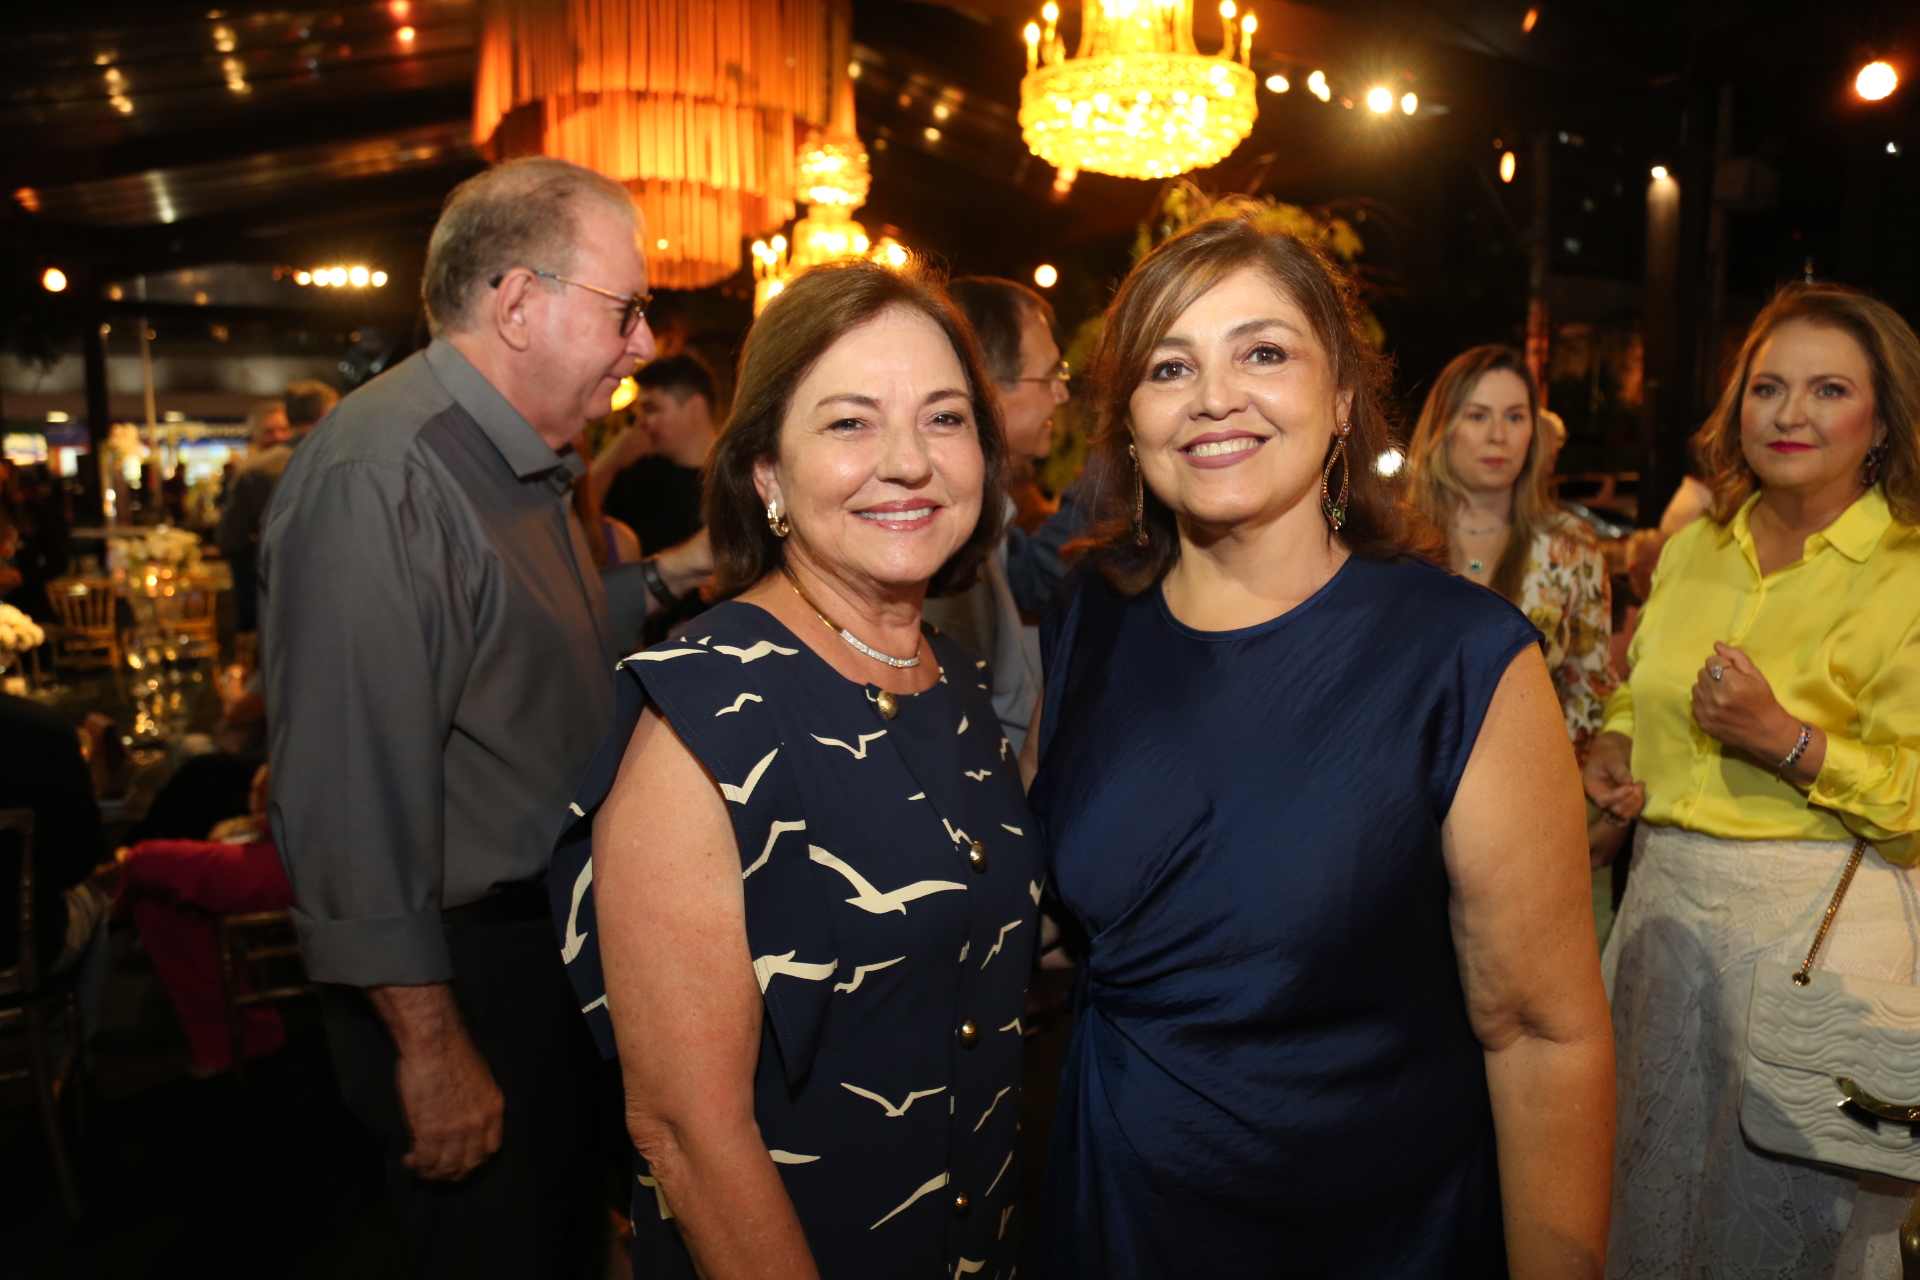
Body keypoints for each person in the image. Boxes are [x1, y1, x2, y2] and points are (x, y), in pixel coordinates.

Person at [1023, 211, 1615, 1277]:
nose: (1214, 397)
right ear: (1130, 419)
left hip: (1369, 1229)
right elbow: (1066, 899)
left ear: (1341, 395)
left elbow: (1540, 1033)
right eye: (1169, 366)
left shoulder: (1461, 656)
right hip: (1116, 1208)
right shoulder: (1087, 614)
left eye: (1263, 353)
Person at [548, 258, 1043, 1278]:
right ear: (767, 473)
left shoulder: (952, 678)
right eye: (851, 422)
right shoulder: (704, 718)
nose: (908, 461)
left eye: (945, 419)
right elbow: (686, 1133)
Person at [260, 156, 696, 1279]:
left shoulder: (519, 462)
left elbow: (530, 643)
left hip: (538, 950)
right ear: (516, 304)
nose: (642, 344)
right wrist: (431, 1044)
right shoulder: (384, 474)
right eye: (625, 310)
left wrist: (679, 574)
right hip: (462, 976)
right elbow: (350, 802)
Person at [1586, 283, 1920, 1276]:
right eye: (1768, 387)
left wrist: (1784, 739)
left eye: (1829, 389)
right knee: (1640, 1198)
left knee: (1790, 1226)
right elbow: (1638, 688)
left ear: (1883, 422)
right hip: (1662, 918)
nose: (1790, 413)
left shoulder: (1907, 569)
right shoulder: (1695, 545)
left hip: (1819, 924)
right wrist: (1613, 745)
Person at [1408, 345, 1617, 766]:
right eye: (1478, 415)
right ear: (1442, 427)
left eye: (1516, 417)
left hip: (1531, 778)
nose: (1499, 435)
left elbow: (1588, 689)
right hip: (1408, 780)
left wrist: (1558, 783)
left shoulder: (1570, 545)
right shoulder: (1397, 538)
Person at [930, 276, 1071, 748]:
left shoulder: (989, 522)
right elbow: (951, 733)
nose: (1062, 394)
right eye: (1049, 377)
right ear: (987, 391)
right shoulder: (942, 538)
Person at [115, 764, 297, 1076]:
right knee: (154, 900)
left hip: (298, 857)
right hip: (290, 850)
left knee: (146, 863)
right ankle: (242, 1037)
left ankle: (110, 914)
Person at [216, 383, 339, 632]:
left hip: (276, 594)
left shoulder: (254, 470)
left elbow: (230, 540)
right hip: (338, 590)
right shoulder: (345, 460)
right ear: (326, 413)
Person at [592, 352, 719, 556]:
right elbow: (577, 526)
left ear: (695, 409)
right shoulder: (635, 476)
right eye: (639, 412)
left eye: (651, 409)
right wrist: (609, 463)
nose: (640, 422)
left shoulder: (738, 478)